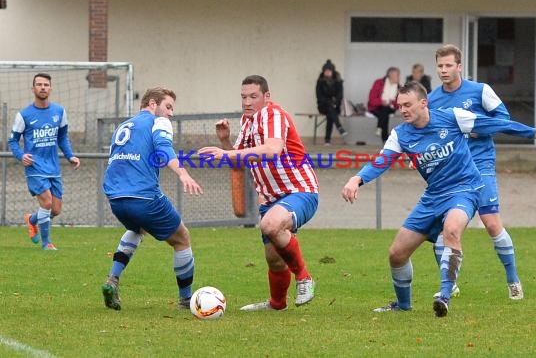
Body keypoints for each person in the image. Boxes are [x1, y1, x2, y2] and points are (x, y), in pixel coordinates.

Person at [341, 81, 536, 317]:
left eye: (407, 105)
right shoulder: (400, 134)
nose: (402, 110)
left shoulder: (453, 117)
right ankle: (403, 305)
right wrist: (357, 179)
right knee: (396, 254)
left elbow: (492, 123)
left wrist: (531, 132)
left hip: (465, 189)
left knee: (451, 230)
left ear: (423, 103)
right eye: (399, 106)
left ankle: (444, 296)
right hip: (433, 197)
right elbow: (382, 161)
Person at [198, 75, 318, 311]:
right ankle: (276, 304)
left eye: (253, 96)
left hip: (299, 190)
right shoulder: (247, 121)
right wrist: (225, 142)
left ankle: (304, 278)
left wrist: (226, 154)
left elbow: (273, 150)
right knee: (274, 259)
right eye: (244, 97)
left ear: (267, 97)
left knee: (270, 226)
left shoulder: (273, 115)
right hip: (272, 199)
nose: (247, 102)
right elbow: (239, 162)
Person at [429, 44, 524, 300]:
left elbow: (502, 120)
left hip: (480, 166)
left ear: (459, 66)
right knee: (443, 229)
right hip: (449, 170)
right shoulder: (432, 99)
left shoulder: (481, 91)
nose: (444, 70)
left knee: (491, 224)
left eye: (449, 65)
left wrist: (472, 130)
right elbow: (427, 131)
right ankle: (451, 284)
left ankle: (512, 278)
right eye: (440, 65)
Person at [100, 87, 203, 311]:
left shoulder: (123, 125)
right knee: (182, 238)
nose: (171, 114)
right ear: (153, 104)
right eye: (168, 107)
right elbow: (164, 148)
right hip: (143, 196)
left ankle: (112, 280)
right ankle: (186, 300)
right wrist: (183, 173)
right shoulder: (159, 122)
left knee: (137, 228)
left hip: (115, 198)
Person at [8, 73, 81, 251]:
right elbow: (13, 141)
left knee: (55, 210)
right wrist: (21, 155)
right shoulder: (24, 115)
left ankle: (31, 219)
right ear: (33, 89)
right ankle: (46, 243)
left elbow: (63, 137)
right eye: (39, 84)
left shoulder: (59, 111)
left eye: (46, 84)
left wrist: (70, 155)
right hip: (34, 166)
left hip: (53, 167)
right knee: (47, 203)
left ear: (51, 88)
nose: (42, 87)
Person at [316, 59, 348, 145]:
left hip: (335, 106)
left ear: (332, 71)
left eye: (329, 70)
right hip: (323, 106)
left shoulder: (338, 81)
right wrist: (329, 102)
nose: (327, 72)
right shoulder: (320, 81)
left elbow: (340, 95)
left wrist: (335, 103)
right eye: (325, 71)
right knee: (330, 110)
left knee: (331, 115)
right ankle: (339, 127)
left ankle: (327, 140)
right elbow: (319, 96)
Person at [367, 67, 401, 142]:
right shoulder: (379, 83)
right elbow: (371, 99)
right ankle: (385, 139)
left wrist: (393, 101)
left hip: (390, 108)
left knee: (385, 110)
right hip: (376, 107)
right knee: (384, 113)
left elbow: (398, 104)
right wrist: (381, 102)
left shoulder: (399, 87)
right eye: (397, 75)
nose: (399, 77)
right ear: (390, 75)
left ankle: (379, 128)